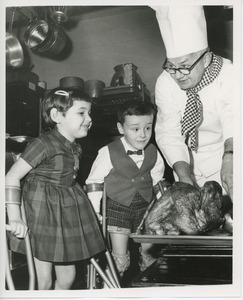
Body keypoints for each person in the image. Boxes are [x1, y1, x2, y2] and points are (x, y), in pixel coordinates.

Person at [5, 87, 106, 290]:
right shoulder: (44, 143)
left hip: (65, 213)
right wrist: (14, 217)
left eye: (89, 113)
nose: (88, 118)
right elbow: (11, 177)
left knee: (68, 279)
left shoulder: (72, 145)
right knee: (43, 281)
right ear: (56, 115)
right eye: (81, 112)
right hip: (42, 214)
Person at [151, 6, 233, 205]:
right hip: (187, 163)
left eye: (185, 65)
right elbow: (168, 132)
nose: (177, 74)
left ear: (205, 59)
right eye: (171, 65)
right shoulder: (165, 82)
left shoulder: (230, 74)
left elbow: (235, 118)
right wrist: (184, 176)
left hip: (226, 156)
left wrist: (231, 160)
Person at [86, 99, 167, 277]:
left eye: (148, 128)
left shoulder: (154, 151)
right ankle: (112, 288)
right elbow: (94, 182)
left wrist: (164, 206)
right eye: (135, 129)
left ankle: (149, 285)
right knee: (120, 260)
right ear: (121, 128)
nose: (143, 135)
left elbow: (158, 183)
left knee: (150, 256)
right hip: (118, 209)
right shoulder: (108, 152)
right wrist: (95, 210)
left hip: (146, 210)